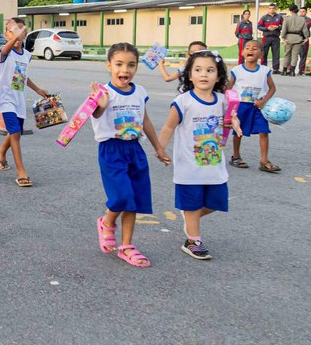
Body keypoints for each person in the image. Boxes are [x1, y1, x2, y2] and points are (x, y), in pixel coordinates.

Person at [92, 43, 170, 268]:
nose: (124, 70)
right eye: (119, 64)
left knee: (134, 199)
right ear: (109, 66)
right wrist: (101, 105)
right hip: (111, 150)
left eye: (131, 65)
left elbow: (145, 121)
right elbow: (95, 114)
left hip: (135, 149)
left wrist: (158, 147)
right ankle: (107, 222)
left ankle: (126, 245)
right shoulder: (103, 93)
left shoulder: (140, 92)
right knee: (121, 197)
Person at [158, 49, 240, 260]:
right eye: (198, 70)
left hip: (214, 163)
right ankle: (193, 240)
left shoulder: (222, 100)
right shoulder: (183, 101)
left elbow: (231, 118)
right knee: (192, 204)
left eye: (210, 70)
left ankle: (189, 216)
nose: (204, 74)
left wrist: (236, 124)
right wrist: (160, 148)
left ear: (219, 76)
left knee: (216, 203)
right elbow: (168, 127)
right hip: (189, 166)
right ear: (189, 75)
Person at [0, 18, 49, 187]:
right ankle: (21, 172)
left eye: (20, 31)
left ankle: (1, 151)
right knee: (15, 133)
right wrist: (13, 38)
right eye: (11, 31)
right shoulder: (4, 52)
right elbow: (7, 47)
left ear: (25, 33)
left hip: (19, 101)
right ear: (5, 35)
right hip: (6, 100)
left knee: (16, 131)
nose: (16, 34)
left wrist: (38, 90)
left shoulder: (26, 55)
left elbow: (22, 75)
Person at [227, 40, 279, 172]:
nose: (251, 50)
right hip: (241, 106)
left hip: (258, 107)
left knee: (264, 131)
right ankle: (236, 156)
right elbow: (228, 88)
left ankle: (264, 160)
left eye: (255, 48)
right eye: (247, 48)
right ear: (242, 52)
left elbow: (272, 88)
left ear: (261, 54)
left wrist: (264, 101)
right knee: (238, 131)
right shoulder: (236, 70)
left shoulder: (264, 71)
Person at [280, 4, 309, 77]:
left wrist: (283, 38)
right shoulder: (302, 19)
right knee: (295, 55)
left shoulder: (287, 19)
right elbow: (305, 30)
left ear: (290, 11)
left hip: (288, 38)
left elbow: (284, 30)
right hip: (298, 38)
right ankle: (292, 71)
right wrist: (306, 37)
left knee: (287, 54)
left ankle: (284, 70)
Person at [257, 3, 283, 74]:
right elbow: (259, 26)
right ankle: (263, 67)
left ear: (275, 9)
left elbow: (284, 26)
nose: (271, 9)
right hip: (266, 37)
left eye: (273, 8)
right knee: (264, 53)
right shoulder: (264, 17)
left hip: (275, 37)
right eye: (270, 8)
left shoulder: (279, 17)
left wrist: (278, 27)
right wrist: (267, 28)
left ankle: (276, 69)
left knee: (276, 53)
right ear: (268, 9)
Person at [298, 7, 311, 75]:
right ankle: (290, 69)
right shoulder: (296, 19)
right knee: (293, 54)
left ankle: (301, 70)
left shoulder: (309, 20)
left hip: (304, 39)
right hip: (296, 38)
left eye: (303, 11)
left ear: (306, 12)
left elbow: (305, 27)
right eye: (300, 11)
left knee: (303, 55)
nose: (301, 13)